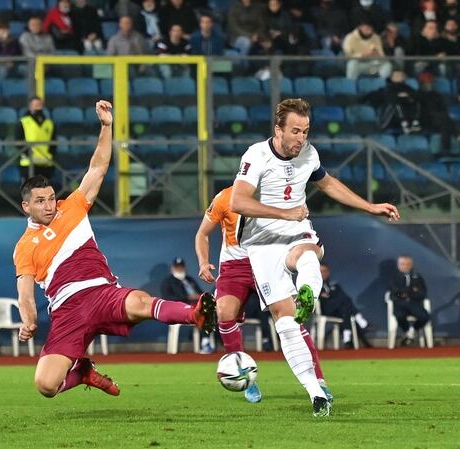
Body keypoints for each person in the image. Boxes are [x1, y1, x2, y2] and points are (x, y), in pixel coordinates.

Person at [13, 100, 216, 399]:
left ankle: (195, 314)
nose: (48, 205)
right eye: (40, 201)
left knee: (140, 303)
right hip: (67, 310)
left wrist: (106, 127)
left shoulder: (73, 207)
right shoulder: (24, 247)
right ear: (26, 206)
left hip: (100, 291)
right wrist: (29, 321)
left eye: (51, 198)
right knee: (46, 386)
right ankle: (81, 373)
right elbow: (25, 294)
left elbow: (98, 166)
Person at [231, 98, 400, 417]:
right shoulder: (257, 154)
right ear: (277, 129)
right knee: (286, 323)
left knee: (308, 254)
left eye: (305, 131)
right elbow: (238, 201)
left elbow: (328, 183)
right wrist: (283, 212)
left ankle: (308, 293)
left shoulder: (309, 154)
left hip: (296, 228)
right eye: (295, 131)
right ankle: (315, 394)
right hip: (261, 241)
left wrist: (370, 206)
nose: (301, 138)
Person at [195, 185, 331, 404]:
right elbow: (202, 233)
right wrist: (203, 262)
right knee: (223, 312)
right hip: (234, 266)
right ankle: (245, 377)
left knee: (291, 317)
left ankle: (319, 381)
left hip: (268, 260)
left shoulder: (281, 194)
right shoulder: (225, 198)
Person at [160, 257, 212, 354]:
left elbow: (200, 293)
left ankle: (207, 341)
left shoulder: (190, 279)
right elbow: (167, 299)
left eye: (181, 267)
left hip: (197, 305)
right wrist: (187, 297)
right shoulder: (167, 282)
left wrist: (200, 296)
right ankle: (205, 342)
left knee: (211, 308)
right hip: (182, 308)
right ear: (172, 268)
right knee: (202, 311)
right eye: (177, 267)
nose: (179, 270)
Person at [319, 262, 373, 348]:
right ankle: (361, 321)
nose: (323, 273)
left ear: (328, 272)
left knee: (345, 309)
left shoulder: (334, 284)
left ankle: (347, 339)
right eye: (321, 271)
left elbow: (343, 296)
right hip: (325, 310)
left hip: (339, 310)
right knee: (345, 301)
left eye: (325, 271)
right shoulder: (315, 285)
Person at [389, 255, 430, 347]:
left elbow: (422, 293)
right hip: (400, 304)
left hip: (414, 304)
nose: (405, 266)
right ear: (398, 265)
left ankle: (410, 333)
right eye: (403, 264)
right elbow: (395, 292)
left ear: (411, 265)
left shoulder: (417, 277)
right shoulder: (393, 277)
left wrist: (406, 293)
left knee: (425, 316)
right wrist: (412, 291)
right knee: (399, 315)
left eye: (408, 264)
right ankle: (408, 332)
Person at [363, 69, 422, 134]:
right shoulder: (388, 88)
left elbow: (417, 95)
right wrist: (405, 97)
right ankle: (405, 123)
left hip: (406, 114)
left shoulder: (407, 87)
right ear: (392, 78)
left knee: (416, 102)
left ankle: (414, 123)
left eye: (400, 75)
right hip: (390, 117)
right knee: (396, 104)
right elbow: (391, 98)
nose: (398, 77)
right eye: (396, 75)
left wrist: (407, 96)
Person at [15, 97, 56, 182]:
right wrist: (27, 153)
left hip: (46, 163)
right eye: (36, 105)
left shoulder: (49, 123)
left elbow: (53, 142)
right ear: (30, 107)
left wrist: (51, 154)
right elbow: (18, 141)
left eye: (40, 105)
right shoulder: (23, 122)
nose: (38, 108)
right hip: (28, 163)